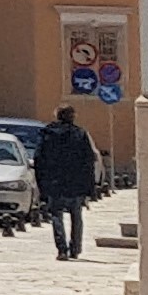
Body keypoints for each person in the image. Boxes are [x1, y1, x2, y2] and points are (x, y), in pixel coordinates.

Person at [35, 106, 101, 259]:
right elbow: (88, 162)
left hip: (54, 183)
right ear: (73, 116)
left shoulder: (47, 134)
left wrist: (42, 184)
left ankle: (62, 249)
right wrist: (90, 188)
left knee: (56, 215)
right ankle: (75, 248)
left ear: (57, 115)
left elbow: (39, 159)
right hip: (75, 184)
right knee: (76, 216)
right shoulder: (80, 134)